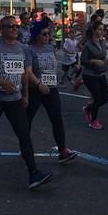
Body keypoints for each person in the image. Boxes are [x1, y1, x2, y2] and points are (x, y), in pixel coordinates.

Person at [0, 15, 52, 189]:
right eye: (9, 26)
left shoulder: (22, 49)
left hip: (15, 99)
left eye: (15, 26)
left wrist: (25, 95)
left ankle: (33, 173)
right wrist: (1, 82)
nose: (13, 29)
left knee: (24, 134)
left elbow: (24, 73)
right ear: (1, 29)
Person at [26, 18, 77, 163]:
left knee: (57, 119)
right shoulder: (29, 50)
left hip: (51, 88)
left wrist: (57, 80)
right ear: (36, 36)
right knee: (27, 120)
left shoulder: (50, 48)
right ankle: (25, 147)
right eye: (44, 34)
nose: (48, 36)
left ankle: (62, 151)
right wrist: (38, 83)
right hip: (35, 89)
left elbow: (53, 66)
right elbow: (27, 71)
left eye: (48, 34)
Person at [80, 19, 108, 129]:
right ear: (94, 30)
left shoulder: (102, 43)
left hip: (100, 73)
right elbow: (83, 61)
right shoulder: (88, 45)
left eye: (103, 29)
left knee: (105, 98)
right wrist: (93, 61)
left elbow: (102, 57)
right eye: (100, 29)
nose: (102, 32)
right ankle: (93, 120)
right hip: (89, 75)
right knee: (97, 97)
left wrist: (107, 61)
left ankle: (88, 108)